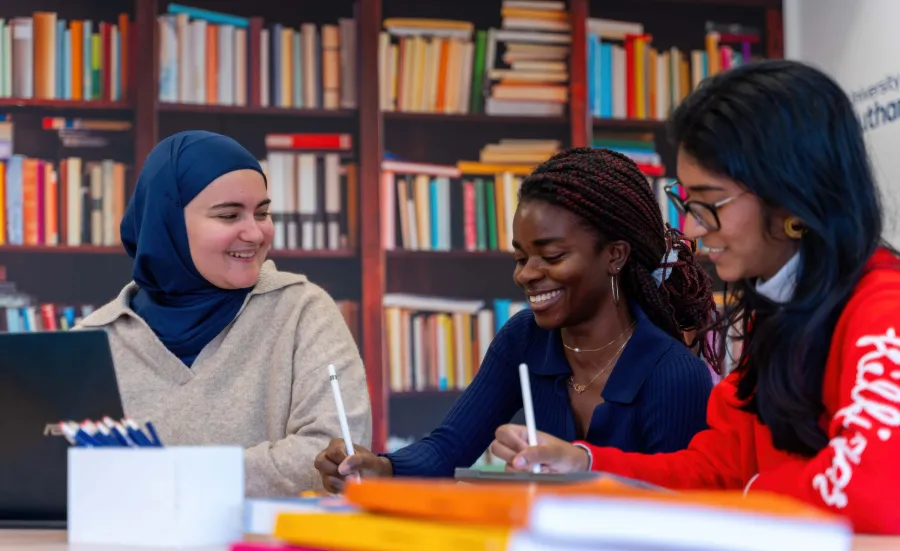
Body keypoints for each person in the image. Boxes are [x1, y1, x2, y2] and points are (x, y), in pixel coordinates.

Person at [490, 60, 900, 534]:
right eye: (687, 200)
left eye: (709, 201)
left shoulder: (882, 308)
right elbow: (713, 472)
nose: (692, 227)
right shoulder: (780, 311)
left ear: (793, 198)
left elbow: (873, 495)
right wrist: (584, 464)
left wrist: (751, 491)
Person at [314, 147, 721, 492]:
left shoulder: (674, 374)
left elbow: (676, 508)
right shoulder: (523, 339)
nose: (526, 274)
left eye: (552, 256)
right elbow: (449, 447)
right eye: (521, 258)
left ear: (614, 255)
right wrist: (380, 468)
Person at [76, 130, 371, 497]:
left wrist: (159, 478)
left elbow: (334, 458)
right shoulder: (91, 339)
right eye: (229, 215)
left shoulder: (303, 311)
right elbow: (68, 477)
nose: (255, 233)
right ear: (166, 224)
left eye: (262, 213)